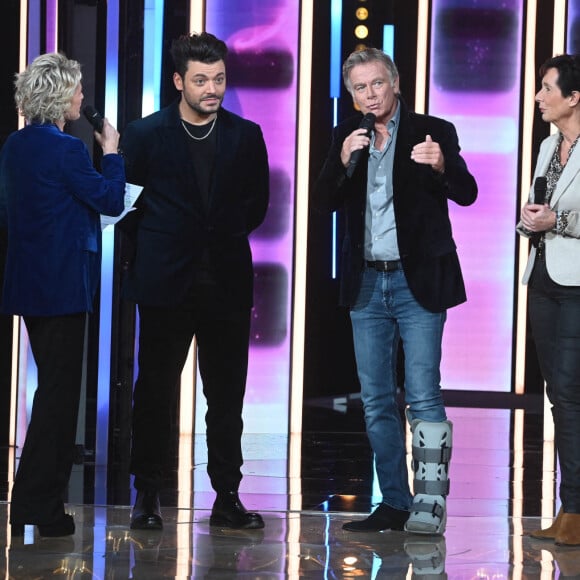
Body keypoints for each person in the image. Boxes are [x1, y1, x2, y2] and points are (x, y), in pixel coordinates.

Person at [314, 47, 477, 535]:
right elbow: (322, 202)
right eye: (360, 88)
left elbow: (467, 192)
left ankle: (430, 503)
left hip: (417, 280)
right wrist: (342, 161)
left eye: (377, 84)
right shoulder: (349, 136)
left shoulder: (434, 130)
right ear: (351, 94)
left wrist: (442, 165)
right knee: (378, 398)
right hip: (366, 283)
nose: (370, 95)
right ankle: (394, 501)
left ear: (396, 82)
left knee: (423, 394)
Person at [118, 31, 269, 531]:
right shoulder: (144, 135)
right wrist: (143, 267)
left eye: (220, 79)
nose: (213, 89)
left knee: (226, 397)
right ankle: (147, 495)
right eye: (202, 80)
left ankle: (227, 496)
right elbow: (129, 210)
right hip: (164, 283)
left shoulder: (246, 136)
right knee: (155, 392)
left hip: (225, 283)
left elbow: (256, 206)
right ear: (179, 80)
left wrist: (218, 236)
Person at [0, 52, 125, 536]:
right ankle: (36, 503)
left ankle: (36, 502)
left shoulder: (15, 145)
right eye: (76, 90)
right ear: (58, 95)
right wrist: (112, 153)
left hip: (30, 285)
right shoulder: (66, 149)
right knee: (56, 399)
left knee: (50, 393)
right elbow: (110, 198)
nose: (81, 99)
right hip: (63, 287)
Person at [517, 54, 580, 547]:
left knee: (572, 393)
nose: (539, 96)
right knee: (558, 395)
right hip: (542, 278)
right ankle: (569, 509)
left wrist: (554, 222)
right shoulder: (548, 144)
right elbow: (540, 205)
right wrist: (530, 218)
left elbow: (561, 218)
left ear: (573, 97)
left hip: (577, 284)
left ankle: (577, 510)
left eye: (546, 88)